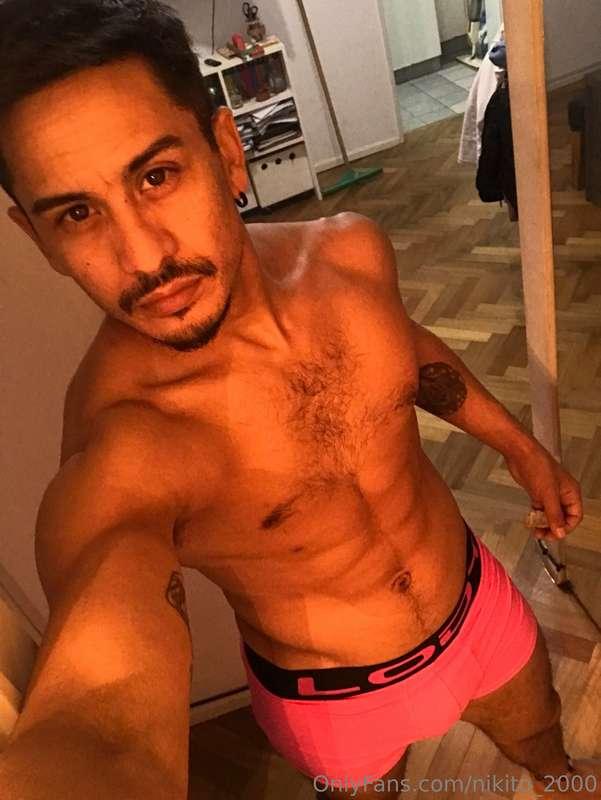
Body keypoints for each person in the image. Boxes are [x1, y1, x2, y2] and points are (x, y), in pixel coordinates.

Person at [0, 2, 599, 799]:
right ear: (38, 239)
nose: (142, 257)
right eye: (77, 214)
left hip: (477, 608)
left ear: (226, 151)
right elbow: (101, 714)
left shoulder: (349, 252)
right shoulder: (122, 445)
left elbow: (404, 351)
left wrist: (518, 448)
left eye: (156, 176)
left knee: (544, 745)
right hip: (333, 702)